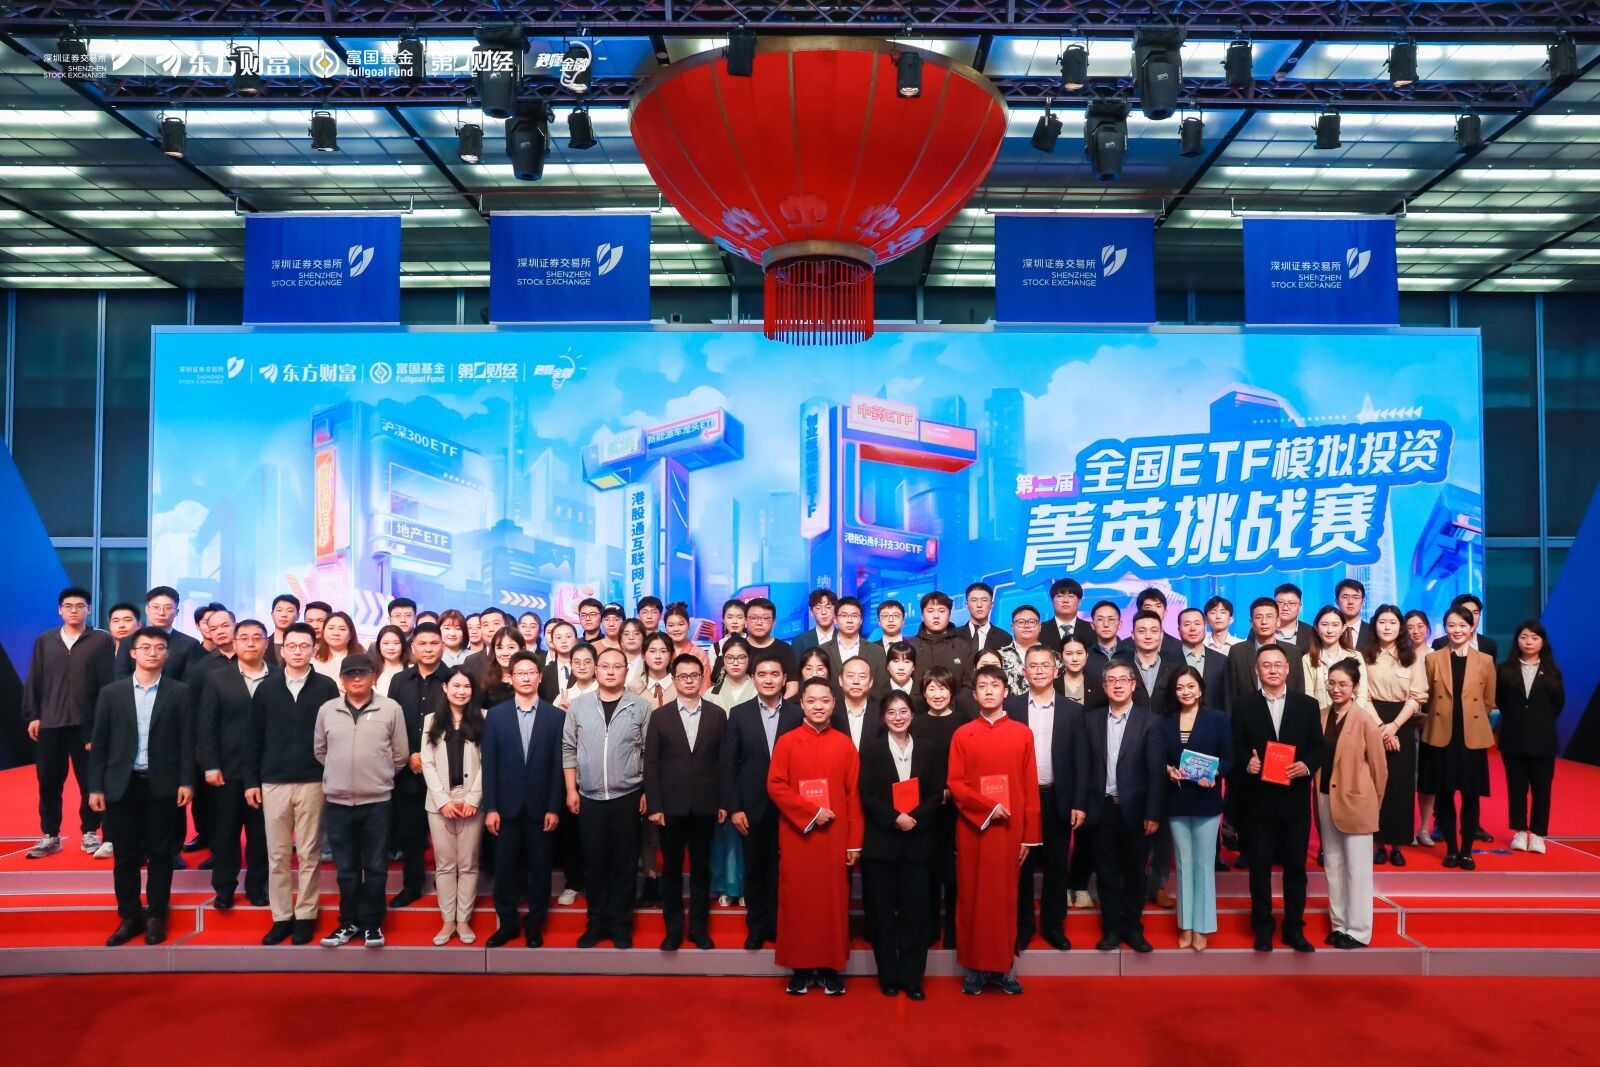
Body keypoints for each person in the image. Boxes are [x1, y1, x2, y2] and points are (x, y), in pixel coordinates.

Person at [86, 627, 194, 946]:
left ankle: (157, 914)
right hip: (122, 785)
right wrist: (95, 787)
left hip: (163, 785)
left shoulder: (180, 692)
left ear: (167, 654)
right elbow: (100, 744)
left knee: (161, 853)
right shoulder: (112, 693)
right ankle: (130, 916)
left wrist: (187, 781)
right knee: (125, 855)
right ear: (133, 653)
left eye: (159, 647)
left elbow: (187, 742)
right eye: (145, 647)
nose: (152, 652)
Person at [947, 665, 1041, 994]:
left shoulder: (1022, 733)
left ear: (1006, 691)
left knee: (1004, 899)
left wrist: (1030, 835)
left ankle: (1003, 967)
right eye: (983, 686)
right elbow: (955, 783)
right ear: (974, 694)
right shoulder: (963, 734)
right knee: (972, 897)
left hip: (1010, 830)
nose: (989, 691)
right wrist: (986, 807)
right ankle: (973, 968)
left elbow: (1029, 786)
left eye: (995, 685)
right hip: (974, 829)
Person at [245, 621, 340, 946]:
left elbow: (334, 736)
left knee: (311, 852)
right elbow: (253, 737)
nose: (298, 651)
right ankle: (282, 916)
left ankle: (306, 914)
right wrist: (251, 781)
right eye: (292, 646)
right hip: (273, 781)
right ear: (282, 650)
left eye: (304, 646)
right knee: (278, 854)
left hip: (313, 781)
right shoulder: (266, 688)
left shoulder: (326, 686)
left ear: (314, 650)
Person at [767, 678, 862, 996]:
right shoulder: (787, 742)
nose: (818, 706)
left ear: (834, 704)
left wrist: (854, 841)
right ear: (802, 704)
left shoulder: (845, 744)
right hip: (799, 835)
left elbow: (853, 795)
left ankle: (831, 968)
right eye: (811, 701)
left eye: (824, 700)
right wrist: (810, 812)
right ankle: (801, 969)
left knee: (832, 903)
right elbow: (775, 785)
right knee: (798, 902)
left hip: (835, 836)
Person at [314, 653, 408, 948]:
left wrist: (377, 775)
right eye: (350, 674)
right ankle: (349, 922)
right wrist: (341, 774)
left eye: (362, 673)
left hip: (377, 802)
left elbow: (400, 754)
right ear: (341, 679)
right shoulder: (327, 710)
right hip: (338, 802)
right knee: (346, 870)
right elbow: (320, 750)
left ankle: (372, 924)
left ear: (373, 677)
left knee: (377, 868)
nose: (356, 678)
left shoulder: (390, 708)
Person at [1234, 646, 1324, 952]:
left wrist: (1307, 765)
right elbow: (1235, 746)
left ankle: (1294, 929)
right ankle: (1262, 928)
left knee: (1296, 869)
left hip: (1294, 801)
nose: (1272, 670)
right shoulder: (1243, 705)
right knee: (1259, 869)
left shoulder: (1307, 705)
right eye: (1266, 665)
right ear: (1256, 671)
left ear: (1287, 669)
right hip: (1257, 801)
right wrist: (1247, 762)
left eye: (1278, 665)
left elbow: (1318, 747)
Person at [564, 647, 650, 948]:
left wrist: (646, 791)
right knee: (595, 864)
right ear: (596, 670)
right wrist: (571, 789)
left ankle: (621, 925)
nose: (611, 671)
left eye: (617, 667)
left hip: (628, 796)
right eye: (605, 666)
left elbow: (648, 753)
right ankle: (596, 923)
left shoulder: (641, 707)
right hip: (589, 797)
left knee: (625, 865)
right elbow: (568, 748)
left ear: (626, 671)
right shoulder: (579, 706)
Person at [1004, 645, 1087, 953]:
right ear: (1024, 671)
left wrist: (1079, 802)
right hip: (1021, 800)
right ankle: (1023, 926)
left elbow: (1082, 760)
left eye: (1045, 665)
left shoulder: (1072, 710)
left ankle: (1053, 926)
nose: (1039, 671)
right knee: (1021, 865)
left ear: (1056, 670)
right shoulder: (1010, 707)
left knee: (1056, 865)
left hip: (1057, 797)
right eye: (1033, 666)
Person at [859, 691, 942, 999]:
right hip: (882, 844)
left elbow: (937, 793)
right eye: (891, 712)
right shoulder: (870, 750)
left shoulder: (929, 749)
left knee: (915, 915)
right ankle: (889, 977)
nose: (898, 717)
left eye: (903, 711)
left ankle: (912, 978)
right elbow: (865, 795)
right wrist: (894, 818)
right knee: (881, 915)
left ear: (912, 715)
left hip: (918, 843)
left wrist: (913, 818)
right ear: (883, 717)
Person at [23, 586, 115, 860]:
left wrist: (102, 722)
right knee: (49, 781)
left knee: (90, 781)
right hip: (50, 722)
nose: (74, 610)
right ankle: (50, 835)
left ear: (89, 609)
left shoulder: (101, 640)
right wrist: (33, 715)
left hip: (87, 724)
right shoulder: (45, 640)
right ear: (60, 610)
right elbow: (35, 679)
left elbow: (107, 683)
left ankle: (90, 832)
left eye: (80, 605)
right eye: (68, 606)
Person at [645, 654, 727, 951]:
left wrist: (723, 802)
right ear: (674, 679)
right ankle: (674, 930)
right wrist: (655, 806)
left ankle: (699, 929)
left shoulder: (717, 715)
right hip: (670, 807)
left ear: (702, 678)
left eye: (694, 675)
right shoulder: (660, 716)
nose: (689, 681)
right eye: (683, 676)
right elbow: (651, 764)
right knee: (671, 871)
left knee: (702, 869)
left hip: (706, 805)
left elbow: (724, 763)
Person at [482, 651, 564, 947]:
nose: (526, 678)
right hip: (505, 808)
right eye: (520, 673)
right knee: (504, 869)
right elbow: (489, 765)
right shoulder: (496, 716)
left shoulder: (556, 717)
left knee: (540, 871)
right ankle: (507, 924)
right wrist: (491, 807)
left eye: (531, 672)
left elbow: (558, 766)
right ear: (511, 677)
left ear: (540, 677)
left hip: (542, 809)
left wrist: (554, 807)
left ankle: (534, 925)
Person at [720, 656, 801, 949]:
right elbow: (729, 765)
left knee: (783, 870)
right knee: (754, 869)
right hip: (751, 807)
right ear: (753, 678)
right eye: (762, 674)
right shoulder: (739, 714)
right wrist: (735, 808)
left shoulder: (796, 714)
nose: (768, 679)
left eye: (774, 674)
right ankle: (756, 927)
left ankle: (779, 926)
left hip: (789, 809)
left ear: (784, 679)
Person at [1084, 662, 1163, 954]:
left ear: (1133, 685)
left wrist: (1153, 813)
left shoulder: (1150, 722)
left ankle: (1133, 929)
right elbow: (1084, 767)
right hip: (1102, 809)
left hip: (1137, 812)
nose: (1117, 685)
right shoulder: (1090, 720)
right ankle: (1111, 930)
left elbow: (1156, 773)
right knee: (1106, 875)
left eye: (1123, 680)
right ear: (1104, 687)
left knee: (1135, 874)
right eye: (1111, 681)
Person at [196, 618, 272, 909]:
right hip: (226, 770)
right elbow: (206, 726)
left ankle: (256, 886)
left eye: (257, 638)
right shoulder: (217, 678)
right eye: (244, 638)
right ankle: (224, 888)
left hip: (267, 771)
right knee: (225, 832)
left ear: (266, 643)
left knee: (261, 834)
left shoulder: (278, 676)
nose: (251, 643)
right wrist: (210, 765)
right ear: (235, 643)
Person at [1316, 659, 1389, 949]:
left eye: (1343, 684)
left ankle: (1358, 930)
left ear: (1355, 687)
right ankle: (1339, 924)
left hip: (1357, 802)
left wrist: (1372, 803)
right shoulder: (1321, 716)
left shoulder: (1365, 720)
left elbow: (1380, 769)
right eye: (1332, 683)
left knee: (1357, 869)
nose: (1336, 689)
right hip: (1325, 798)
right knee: (1333, 865)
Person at [1160, 666, 1232, 951]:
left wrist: (1214, 773)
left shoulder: (1217, 719)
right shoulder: (1166, 721)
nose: (1185, 692)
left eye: (1190, 686)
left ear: (1200, 689)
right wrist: (1168, 770)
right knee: (1183, 863)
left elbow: (1229, 758)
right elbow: (1160, 757)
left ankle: (1202, 926)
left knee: (1203, 864)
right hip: (1177, 801)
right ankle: (1186, 924)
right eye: (1180, 688)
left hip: (1206, 801)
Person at [1421, 606, 1497, 870]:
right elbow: (1428, 697)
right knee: (1444, 796)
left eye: (1463, 625)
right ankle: (1451, 849)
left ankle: (1467, 851)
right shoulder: (1433, 659)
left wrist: (1470, 718)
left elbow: (1488, 701)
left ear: (1472, 627)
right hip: (1441, 735)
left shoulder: (1485, 661)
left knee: (1471, 796)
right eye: (1452, 625)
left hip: (1471, 737)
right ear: (1445, 627)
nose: (1457, 630)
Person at [387, 621, 450, 909]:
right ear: (413, 648)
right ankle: (412, 885)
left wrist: (432, 759)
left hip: (445, 770)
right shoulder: (399, 680)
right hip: (409, 768)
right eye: (422, 644)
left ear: (443, 646)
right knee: (411, 833)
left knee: (446, 833)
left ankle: (447, 883)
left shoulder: (454, 678)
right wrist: (408, 755)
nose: (428, 649)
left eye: (434, 643)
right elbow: (393, 723)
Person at [1359, 605, 1427, 866]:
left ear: (1400, 628)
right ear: (1374, 625)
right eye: (1382, 622)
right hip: (1372, 721)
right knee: (1376, 784)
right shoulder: (1364, 655)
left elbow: (1417, 695)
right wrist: (1381, 727)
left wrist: (1394, 727)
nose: (1387, 627)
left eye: (1393, 622)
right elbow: (1362, 695)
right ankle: (1377, 843)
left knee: (1401, 784)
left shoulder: (1412, 657)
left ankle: (1398, 844)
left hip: (1403, 723)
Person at [421, 668, 485, 945]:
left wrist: (472, 799)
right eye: (456, 686)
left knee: (468, 863)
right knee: (445, 864)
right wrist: (443, 801)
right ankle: (448, 920)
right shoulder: (431, 720)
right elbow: (427, 763)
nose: (461, 691)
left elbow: (488, 762)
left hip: (472, 801)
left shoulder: (484, 718)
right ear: (445, 688)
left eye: (466, 686)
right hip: (440, 803)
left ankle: (464, 920)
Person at [911, 665, 969, 946]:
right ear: (923, 693)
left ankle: (955, 932)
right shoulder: (916, 723)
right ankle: (930, 928)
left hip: (957, 808)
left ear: (952, 691)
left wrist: (952, 790)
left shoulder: (963, 722)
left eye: (942, 688)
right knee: (928, 870)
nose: (937, 694)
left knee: (955, 871)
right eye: (931, 688)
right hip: (925, 807)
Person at [1497, 622, 1565, 854]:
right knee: (1516, 788)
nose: (1529, 642)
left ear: (1542, 642)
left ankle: (1537, 834)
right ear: (1517, 640)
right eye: (1524, 637)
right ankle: (1518, 831)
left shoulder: (1553, 671)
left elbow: (1558, 704)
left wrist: (1539, 722)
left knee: (1542, 789)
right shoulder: (1505, 670)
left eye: (1534, 638)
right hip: (1513, 739)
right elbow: (1501, 701)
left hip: (1543, 740)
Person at [1224, 596, 1306, 708]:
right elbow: (1230, 693)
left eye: (1269, 617)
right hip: (1247, 715)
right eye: (1258, 617)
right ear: (1251, 623)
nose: (1264, 622)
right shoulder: (1237, 651)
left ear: (1278, 621)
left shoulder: (1293, 651)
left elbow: (1299, 690)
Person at [113, 586, 204, 682]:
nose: (161, 613)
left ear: (177, 612)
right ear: (147, 610)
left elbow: (190, 681)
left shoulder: (190, 644)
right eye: (156, 607)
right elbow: (120, 678)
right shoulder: (128, 642)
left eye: (168, 608)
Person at [1304, 605, 1371, 713]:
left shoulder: (1355, 656)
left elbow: (1362, 694)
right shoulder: (1307, 659)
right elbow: (1308, 695)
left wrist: (1351, 716)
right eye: (1324, 625)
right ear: (1316, 627)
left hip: (1352, 717)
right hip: (1320, 717)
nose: (1329, 630)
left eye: (1335, 625)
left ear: (1343, 628)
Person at [910, 591, 973, 700]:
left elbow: (969, 683)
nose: (936, 616)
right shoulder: (911, 647)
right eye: (930, 611)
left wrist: (955, 705)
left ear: (950, 614)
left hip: (956, 709)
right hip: (918, 708)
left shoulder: (963, 647)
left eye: (941, 611)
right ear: (922, 615)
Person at [820, 596, 886, 691]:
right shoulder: (822, 651)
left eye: (854, 616)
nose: (849, 621)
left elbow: (881, 688)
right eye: (844, 615)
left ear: (861, 620)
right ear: (835, 619)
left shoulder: (877, 651)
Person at [743, 597, 798, 698]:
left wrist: (779, 706)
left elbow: (793, 686)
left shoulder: (786, 649)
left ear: (773, 622)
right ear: (745, 622)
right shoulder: (737, 649)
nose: (759, 623)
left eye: (765, 618)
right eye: (754, 618)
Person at [1127, 609, 1180, 713]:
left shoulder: (1175, 669)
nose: (1148, 636)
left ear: (1161, 634)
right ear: (1133, 635)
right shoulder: (1122, 668)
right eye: (1142, 631)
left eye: (1154, 631)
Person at [1176, 607, 1228, 703]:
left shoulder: (1221, 661)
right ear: (1179, 630)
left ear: (1205, 627)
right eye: (1187, 624)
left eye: (1197, 624)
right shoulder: (1167, 660)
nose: (1192, 628)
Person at [1431, 593, 1500, 661]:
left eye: (1475, 613)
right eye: (1466, 612)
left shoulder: (1489, 645)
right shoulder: (1439, 643)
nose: (1472, 617)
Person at [997, 604, 1042, 697]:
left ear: (1039, 626)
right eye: (1021, 622)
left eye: (1031, 622)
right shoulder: (999, 657)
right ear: (1012, 627)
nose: (1026, 626)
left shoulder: (1053, 657)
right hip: (1008, 705)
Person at [1039, 577, 1094, 652]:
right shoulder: (1040, 629)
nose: (1065, 600)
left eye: (1071, 596)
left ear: (1079, 602)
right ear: (1052, 601)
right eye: (1060, 596)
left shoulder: (1092, 629)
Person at [478, 626, 525, 708]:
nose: (505, 653)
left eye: (511, 647)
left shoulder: (530, 680)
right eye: (499, 648)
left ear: (521, 649)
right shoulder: (486, 682)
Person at [963, 581, 1011, 658]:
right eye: (974, 600)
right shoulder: (954, 636)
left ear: (991, 604)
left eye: (984, 600)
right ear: (966, 605)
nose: (979, 605)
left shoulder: (1004, 638)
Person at [312, 611, 362, 683]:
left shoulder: (360, 659)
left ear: (351, 634)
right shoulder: (313, 657)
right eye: (331, 628)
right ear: (323, 631)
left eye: (342, 629)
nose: (335, 633)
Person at [1083, 600, 1126, 685]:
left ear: (1120, 624)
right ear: (1092, 625)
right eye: (1100, 619)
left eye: (1111, 619)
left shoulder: (1132, 655)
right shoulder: (1085, 657)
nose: (1106, 624)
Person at [630, 631, 678, 707]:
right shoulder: (633, 688)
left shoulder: (680, 686)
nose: (658, 656)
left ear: (672, 656)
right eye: (652, 651)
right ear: (643, 656)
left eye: (663, 651)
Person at [665, 601, 711, 677]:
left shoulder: (699, 654)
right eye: (671, 625)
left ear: (688, 625)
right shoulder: (663, 652)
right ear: (665, 627)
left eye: (681, 624)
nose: (676, 629)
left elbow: (705, 682)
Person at [790, 588, 838, 659]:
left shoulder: (843, 637)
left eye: (828, 607)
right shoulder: (800, 641)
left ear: (836, 610)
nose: (823, 612)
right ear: (811, 612)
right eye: (818, 608)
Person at [1274, 583, 1315, 654]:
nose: (1285, 608)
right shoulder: (1261, 629)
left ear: (1300, 606)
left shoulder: (1311, 633)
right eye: (1280, 602)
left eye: (1291, 603)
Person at [371, 624, 410, 697]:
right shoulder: (371, 672)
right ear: (379, 646)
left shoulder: (412, 670)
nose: (391, 648)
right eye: (386, 643)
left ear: (403, 645)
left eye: (396, 643)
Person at [1335, 579, 1371, 647]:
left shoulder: (1373, 631)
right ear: (1337, 601)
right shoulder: (1329, 631)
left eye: (1356, 597)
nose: (1350, 602)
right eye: (1345, 597)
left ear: (1363, 602)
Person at [268, 594, 300, 662]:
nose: (284, 615)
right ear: (272, 615)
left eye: (290, 611)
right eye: (279, 610)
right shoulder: (263, 644)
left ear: (298, 616)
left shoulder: (304, 644)